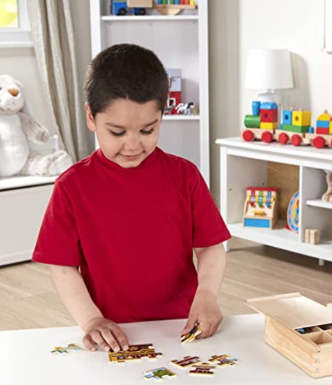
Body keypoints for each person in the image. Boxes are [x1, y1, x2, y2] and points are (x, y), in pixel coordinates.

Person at [32, 43, 231, 353]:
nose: (133, 145)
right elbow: (62, 267)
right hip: (113, 336)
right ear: (91, 117)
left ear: (161, 117)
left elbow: (210, 247)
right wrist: (91, 320)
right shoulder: (71, 187)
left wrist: (207, 295)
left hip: (181, 327)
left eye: (148, 130)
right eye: (117, 132)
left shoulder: (185, 176)